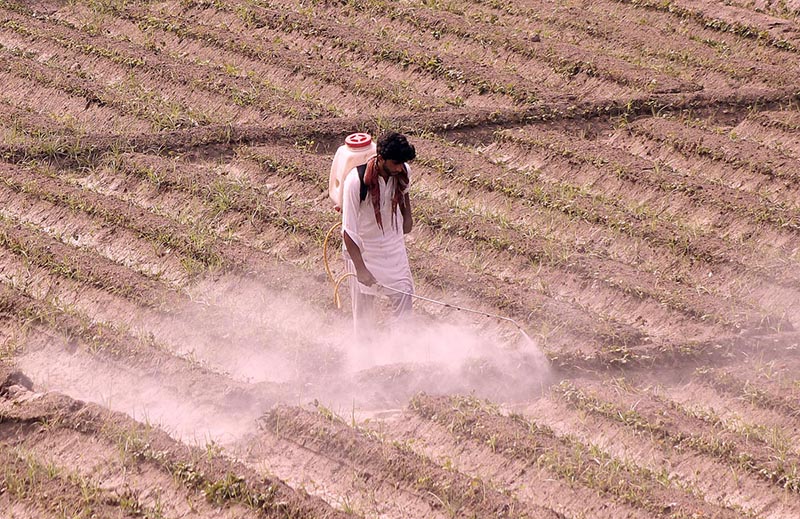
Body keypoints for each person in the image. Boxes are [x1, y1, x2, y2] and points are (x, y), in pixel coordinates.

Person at [341, 131, 416, 336]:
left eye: (403, 163)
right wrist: (360, 268)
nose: (400, 167)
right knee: (364, 312)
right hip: (365, 249)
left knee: (404, 295)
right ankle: (364, 359)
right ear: (380, 158)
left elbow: (404, 192)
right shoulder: (355, 182)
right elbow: (348, 231)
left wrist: (407, 216)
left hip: (392, 246)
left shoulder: (402, 172)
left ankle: (402, 350)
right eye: (395, 163)